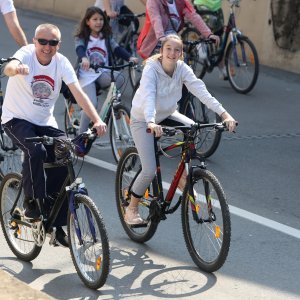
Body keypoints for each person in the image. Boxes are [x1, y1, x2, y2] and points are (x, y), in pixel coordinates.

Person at [2, 23, 107, 246]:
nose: (47, 47)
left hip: (44, 121)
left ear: (58, 45)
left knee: (64, 154)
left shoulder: (62, 63)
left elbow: (78, 93)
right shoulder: (26, 55)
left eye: (52, 43)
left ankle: (56, 224)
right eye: (42, 41)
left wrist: (96, 119)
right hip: (16, 118)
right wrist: (16, 69)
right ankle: (32, 202)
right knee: (35, 150)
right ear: (34, 41)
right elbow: (9, 66)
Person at [125, 34, 236, 225]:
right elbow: (149, 96)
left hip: (167, 114)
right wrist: (151, 122)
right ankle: (131, 209)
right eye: (168, 48)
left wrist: (224, 114)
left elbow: (201, 91)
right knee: (149, 169)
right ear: (161, 50)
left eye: (177, 50)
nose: (172, 53)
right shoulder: (151, 69)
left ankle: (183, 177)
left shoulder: (182, 69)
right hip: (144, 119)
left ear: (181, 53)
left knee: (193, 128)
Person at [75, 6, 138, 133]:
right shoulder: (82, 37)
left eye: (101, 19)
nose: (98, 22)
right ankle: (79, 138)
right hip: (87, 76)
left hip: (102, 72)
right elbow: (79, 48)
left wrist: (129, 57)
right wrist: (84, 58)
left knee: (119, 77)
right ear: (88, 22)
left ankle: (110, 105)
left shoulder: (106, 37)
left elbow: (117, 49)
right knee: (91, 105)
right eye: (95, 19)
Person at [138, 0, 220, 59]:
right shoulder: (154, 2)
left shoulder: (180, 2)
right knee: (158, 72)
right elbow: (156, 18)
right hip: (154, 42)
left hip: (172, 41)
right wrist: (161, 37)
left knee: (181, 69)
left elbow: (194, 16)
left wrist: (209, 34)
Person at [193, 0, 227, 79]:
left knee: (219, 36)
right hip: (203, 5)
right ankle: (200, 43)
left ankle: (221, 66)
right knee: (204, 29)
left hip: (216, 7)